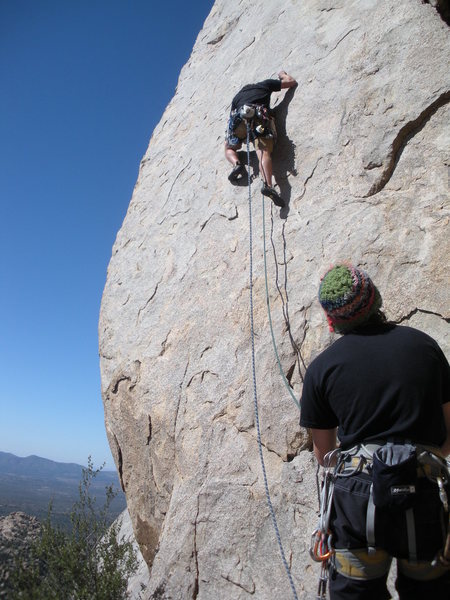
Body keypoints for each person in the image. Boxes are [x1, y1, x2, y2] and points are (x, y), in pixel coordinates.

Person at [300, 263, 450, 599]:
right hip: (424, 489)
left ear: (332, 321)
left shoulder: (322, 369)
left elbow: (326, 456)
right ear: (375, 300)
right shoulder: (424, 347)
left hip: (358, 500)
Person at [224, 70, 297, 207]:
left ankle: (237, 164)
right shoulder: (265, 85)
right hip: (259, 118)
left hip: (239, 120)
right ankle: (268, 185)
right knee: (263, 153)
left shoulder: (237, 97)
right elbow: (291, 82)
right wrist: (282, 75)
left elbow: (231, 118)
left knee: (229, 148)